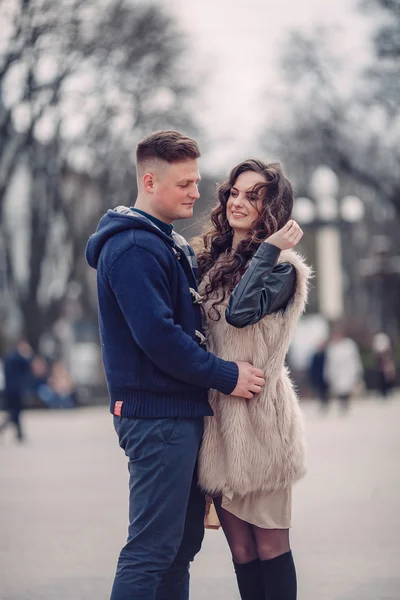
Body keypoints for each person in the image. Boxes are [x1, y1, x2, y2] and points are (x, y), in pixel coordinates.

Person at [85, 131, 265, 600]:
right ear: (150, 180)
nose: (196, 192)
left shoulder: (164, 243)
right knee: (151, 550)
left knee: (178, 547)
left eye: (196, 180)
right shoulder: (133, 248)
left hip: (176, 414)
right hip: (157, 417)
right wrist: (227, 376)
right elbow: (159, 339)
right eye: (185, 183)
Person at [194, 159, 311, 600]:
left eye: (254, 196)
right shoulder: (212, 262)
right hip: (218, 427)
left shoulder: (283, 269)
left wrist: (265, 250)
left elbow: (241, 314)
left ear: (273, 209)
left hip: (262, 423)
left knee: (269, 546)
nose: (238, 202)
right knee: (241, 551)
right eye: (235, 193)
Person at [324, 326, 363, 413]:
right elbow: (329, 363)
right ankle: (342, 405)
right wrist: (328, 374)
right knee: (339, 390)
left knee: (346, 389)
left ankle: (346, 404)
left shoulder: (349, 345)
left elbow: (354, 359)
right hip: (337, 373)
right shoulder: (332, 347)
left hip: (348, 371)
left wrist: (356, 372)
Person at [0, 339, 33, 442]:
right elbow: (28, 366)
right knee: (15, 412)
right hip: (15, 390)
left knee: (15, 412)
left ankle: (19, 434)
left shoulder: (10, 358)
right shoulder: (17, 358)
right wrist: (28, 355)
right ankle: (14, 432)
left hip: (10, 389)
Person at [308, 341, 329, 411]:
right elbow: (312, 367)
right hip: (318, 376)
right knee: (320, 391)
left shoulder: (326, 355)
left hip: (325, 375)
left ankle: (325, 402)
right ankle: (322, 403)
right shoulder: (315, 356)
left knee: (325, 390)